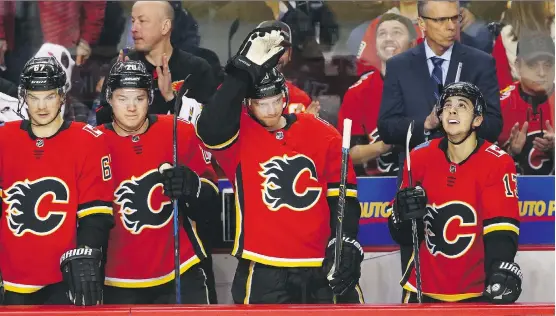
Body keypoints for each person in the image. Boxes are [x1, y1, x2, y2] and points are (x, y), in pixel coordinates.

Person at [196, 27, 364, 304]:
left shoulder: (320, 131)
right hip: (262, 267)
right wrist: (241, 72)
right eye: (262, 104)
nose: (272, 110)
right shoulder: (239, 136)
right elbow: (209, 128)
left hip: (320, 264)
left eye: (277, 100)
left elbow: (342, 196)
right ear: (247, 104)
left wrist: (345, 240)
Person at [389, 82, 522, 304]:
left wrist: (500, 268)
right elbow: (402, 235)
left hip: (476, 291)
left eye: (462, 105)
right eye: (447, 105)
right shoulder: (419, 157)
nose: (452, 110)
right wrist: (401, 217)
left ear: (478, 119)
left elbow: (501, 230)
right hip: (421, 288)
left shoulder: (498, 162)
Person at [98, 60, 219, 304]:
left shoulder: (178, 131)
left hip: (180, 270)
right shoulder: (93, 142)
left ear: (150, 98)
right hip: (117, 279)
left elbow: (213, 197)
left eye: (139, 98)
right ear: (110, 99)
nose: (131, 107)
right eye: (123, 98)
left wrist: (192, 185)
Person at [0, 56, 114, 305]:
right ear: (24, 97)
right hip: (11, 280)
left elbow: (96, 215)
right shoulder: (4, 138)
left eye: (49, 96)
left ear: (62, 96)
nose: (41, 106)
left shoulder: (87, 140)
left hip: (65, 279)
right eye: (34, 96)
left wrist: (87, 255)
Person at [378, 0, 503, 163]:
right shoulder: (399, 66)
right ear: (422, 23)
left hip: (468, 172)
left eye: (454, 18)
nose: (451, 26)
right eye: (441, 20)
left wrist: (463, 124)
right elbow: (387, 127)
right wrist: (425, 124)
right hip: (417, 175)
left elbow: (494, 124)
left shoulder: (480, 63)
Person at [95, 1, 216, 125]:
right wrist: (120, 89)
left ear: (165, 26)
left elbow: (208, 125)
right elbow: (102, 123)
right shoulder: (121, 65)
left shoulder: (196, 69)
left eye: (142, 21)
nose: (134, 29)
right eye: (133, 21)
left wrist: (171, 98)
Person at [338, 13, 417, 176]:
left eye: (397, 32)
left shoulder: (429, 84)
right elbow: (347, 155)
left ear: (412, 44)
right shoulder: (358, 93)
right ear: (375, 45)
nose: (388, 38)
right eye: (382, 34)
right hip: (376, 190)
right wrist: (385, 144)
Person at [498, 34, 554, 175]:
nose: (542, 73)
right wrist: (510, 153)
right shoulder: (498, 105)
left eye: (547, 65)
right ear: (517, 65)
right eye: (532, 65)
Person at [256, 20, 318, 115]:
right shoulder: (231, 95)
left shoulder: (300, 99)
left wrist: (307, 125)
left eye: (282, 49)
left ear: (290, 53)